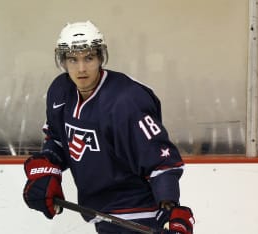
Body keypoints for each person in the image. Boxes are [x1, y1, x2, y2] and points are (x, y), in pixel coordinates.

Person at [22, 20, 194, 234]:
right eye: (73, 60)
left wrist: (171, 208)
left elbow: (161, 161)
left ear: (101, 57)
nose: (82, 68)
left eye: (89, 58)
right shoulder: (60, 91)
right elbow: (58, 140)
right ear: (62, 61)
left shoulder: (127, 100)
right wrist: (46, 170)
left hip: (140, 215)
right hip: (101, 213)